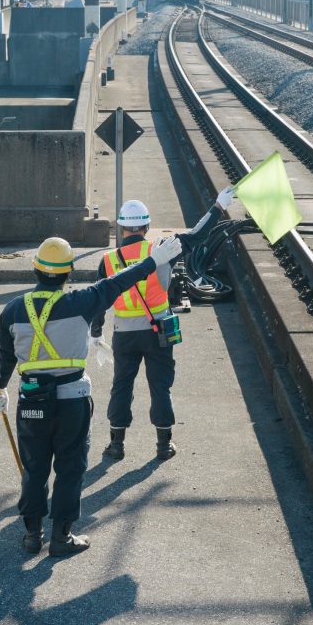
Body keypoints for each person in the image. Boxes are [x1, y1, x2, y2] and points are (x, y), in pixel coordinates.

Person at [0, 234, 183, 557]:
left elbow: (3, 359)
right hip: (72, 400)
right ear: (67, 274)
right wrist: (155, 260)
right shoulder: (81, 302)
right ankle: (62, 537)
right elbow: (119, 281)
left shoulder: (12, 311)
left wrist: (0, 390)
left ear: (35, 270)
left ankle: (31, 535)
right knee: (70, 467)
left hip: (31, 401)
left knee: (34, 467)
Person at [91, 187, 236, 462]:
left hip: (124, 333)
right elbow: (197, 236)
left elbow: (100, 300)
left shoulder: (108, 260)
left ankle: (117, 445)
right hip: (159, 330)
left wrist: (96, 333)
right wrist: (218, 205)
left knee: (122, 386)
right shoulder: (162, 249)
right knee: (160, 386)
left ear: (121, 228)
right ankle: (163, 446)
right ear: (146, 226)